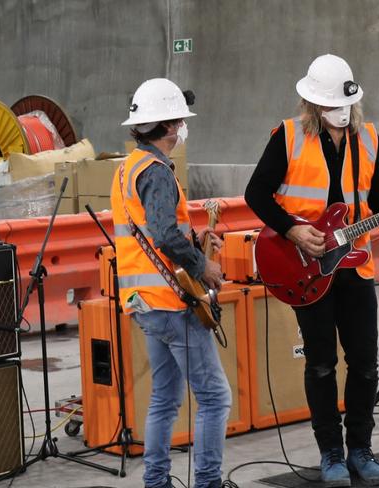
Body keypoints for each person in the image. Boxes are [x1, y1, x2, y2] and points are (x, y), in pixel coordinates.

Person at [245, 54, 379, 487]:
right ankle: (330, 455)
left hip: (355, 267)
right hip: (308, 267)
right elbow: (257, 194)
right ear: (312, 104)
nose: (336, 116)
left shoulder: (370, 139)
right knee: (320, 364)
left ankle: (360, 449)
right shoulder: (287, 137)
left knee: (365, 364)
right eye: (326, 108)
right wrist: (295, 231)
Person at [110, 78, 231, 488]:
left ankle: (157, 483)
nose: (182, 128)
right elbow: (161, 233)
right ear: (167, 126)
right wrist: (203, 265)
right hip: (173, 303)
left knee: (164, 398)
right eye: (179, 120)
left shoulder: (129, 167)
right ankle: (208, 483)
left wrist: (193, 240)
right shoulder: (158, 172)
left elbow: (151, 234)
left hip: (145, 301)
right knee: (215, 398)